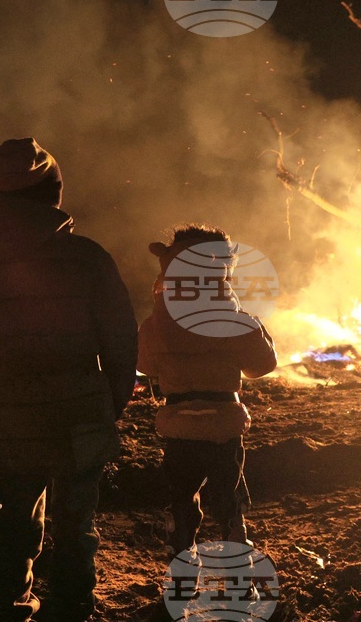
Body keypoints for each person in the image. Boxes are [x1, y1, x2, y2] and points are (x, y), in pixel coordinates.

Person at [0, 138, 137, 622]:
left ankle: (12, 601)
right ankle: (72, 605)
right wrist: (110, 405)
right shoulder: (86, 258)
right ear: (54, 192)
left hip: (10, 415)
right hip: (81, 410)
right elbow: (120, 341)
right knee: (77, 520)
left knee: (16, 514)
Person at [137, 225, 277, 558]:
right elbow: (262, 365)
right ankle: (235, 542)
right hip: (222, 423)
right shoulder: (234, 319)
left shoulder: (157, 321)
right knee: (227, 494)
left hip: (179, 423)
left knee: (182, 493)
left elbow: (145, 365)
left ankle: (181, 547)